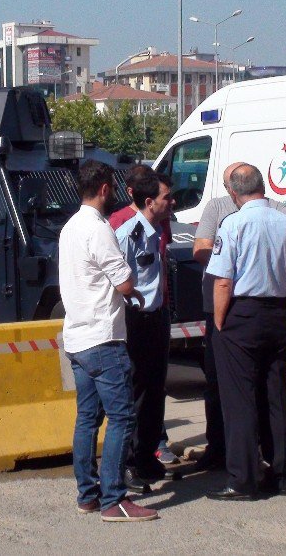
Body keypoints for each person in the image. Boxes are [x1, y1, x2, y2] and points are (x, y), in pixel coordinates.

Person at [58, 159, 159, 522]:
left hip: (77, 336)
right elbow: (125, 283)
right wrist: (137, 293)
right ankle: (113, 498)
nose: (114, 194)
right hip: (104, 337)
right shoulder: (98, 229)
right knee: (121, 417)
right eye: (112, 188)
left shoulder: (69, 227)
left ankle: (88, 494)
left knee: (87, 418)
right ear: (103, 189)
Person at [205, 164, 286, 500]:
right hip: (277, 313)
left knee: (240, 398)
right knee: (276, 393)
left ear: (234, 193)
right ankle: (281, 474)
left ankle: (243, 479)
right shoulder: (285, 223)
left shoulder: (233, 224)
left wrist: (220, 322)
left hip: (243, 313)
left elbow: (222, 280)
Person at [109, 165, 178, 467]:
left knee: (155, 389)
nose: (172, 202)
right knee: (134, 392)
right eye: (167, 197)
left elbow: (159, 264)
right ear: (148, 201)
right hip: (134, 320)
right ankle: (129, 462)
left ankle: (148, 456)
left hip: (158, 315)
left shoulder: (159, 227)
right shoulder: (123, 228)